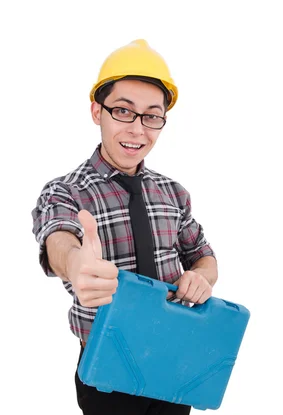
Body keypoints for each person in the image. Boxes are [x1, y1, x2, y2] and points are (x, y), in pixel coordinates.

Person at [32, 39, 217, 415]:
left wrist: (202, 277)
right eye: (123, 111)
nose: (138, 130)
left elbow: (204, 256)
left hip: (172, 357)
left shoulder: (173, 193)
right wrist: (75, 263)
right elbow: (59, 240)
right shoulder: (65, 191)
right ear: (96, 112)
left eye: (152, 116)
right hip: (107, 371)